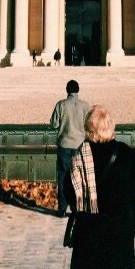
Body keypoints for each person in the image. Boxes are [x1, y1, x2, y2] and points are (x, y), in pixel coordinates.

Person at [64, 106, 135, 269]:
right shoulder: (125, 152)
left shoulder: (81, 154)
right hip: (121, 223)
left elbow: (68, 190)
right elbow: (134, 191)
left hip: (93, 224)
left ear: (89, 129)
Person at [50, 80, 90, 218]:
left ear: (67, 90)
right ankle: (77, 207)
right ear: (78, 90)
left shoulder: (61, 104)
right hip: (79, 144)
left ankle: (61, 209)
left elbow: (54, 124)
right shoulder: (85, 106)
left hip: (64, 144)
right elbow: (89, 126)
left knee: (62, 177)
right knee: (79, 177)